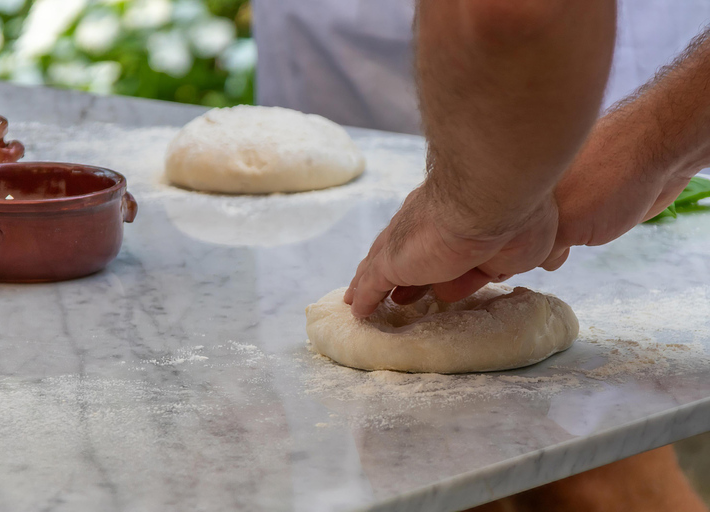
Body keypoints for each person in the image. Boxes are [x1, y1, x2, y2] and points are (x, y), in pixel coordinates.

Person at [255, 0, 710, 510]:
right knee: (428, 469)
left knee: (587, 471)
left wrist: (473, 204)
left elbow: (512, 13)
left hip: (566, 68)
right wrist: (655, 137)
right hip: (340, 60)